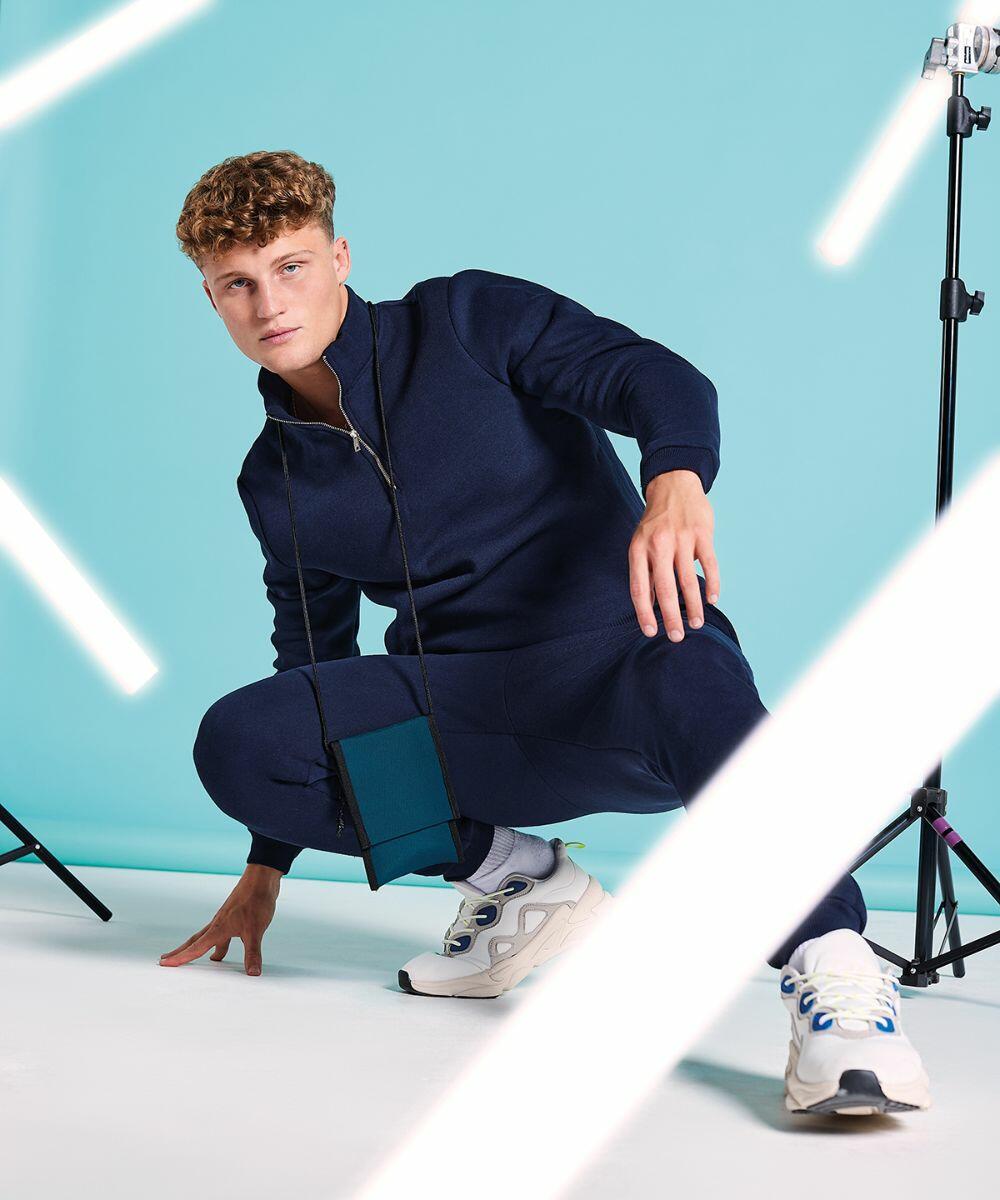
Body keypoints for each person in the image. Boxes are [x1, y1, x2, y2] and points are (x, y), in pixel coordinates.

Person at [160, 150, 930, 1116]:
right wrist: (265, 865)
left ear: (339, 255)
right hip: (470, 713)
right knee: (245, 737)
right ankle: (518, 879)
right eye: (237, 284)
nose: (269, 302)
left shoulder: (467, 321)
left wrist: (677, 480)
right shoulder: (272, 478)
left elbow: (653, 377)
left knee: (689, 661)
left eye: (291, 266)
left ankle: (839, 979)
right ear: (211, 298)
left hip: (626, 671)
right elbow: (313, 664)